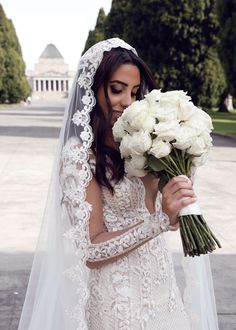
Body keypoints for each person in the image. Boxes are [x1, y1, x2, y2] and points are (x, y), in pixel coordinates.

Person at [18, 38, 219, 330]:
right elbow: (90, 250)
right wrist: (160, 222)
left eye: (135, 92)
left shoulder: (145, 142)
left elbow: (169, 218)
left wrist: (181, 173)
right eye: (116, 89)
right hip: (118, 303)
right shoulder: (79, 155)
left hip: (163, 290)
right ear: (93, 88)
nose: (127, 102)